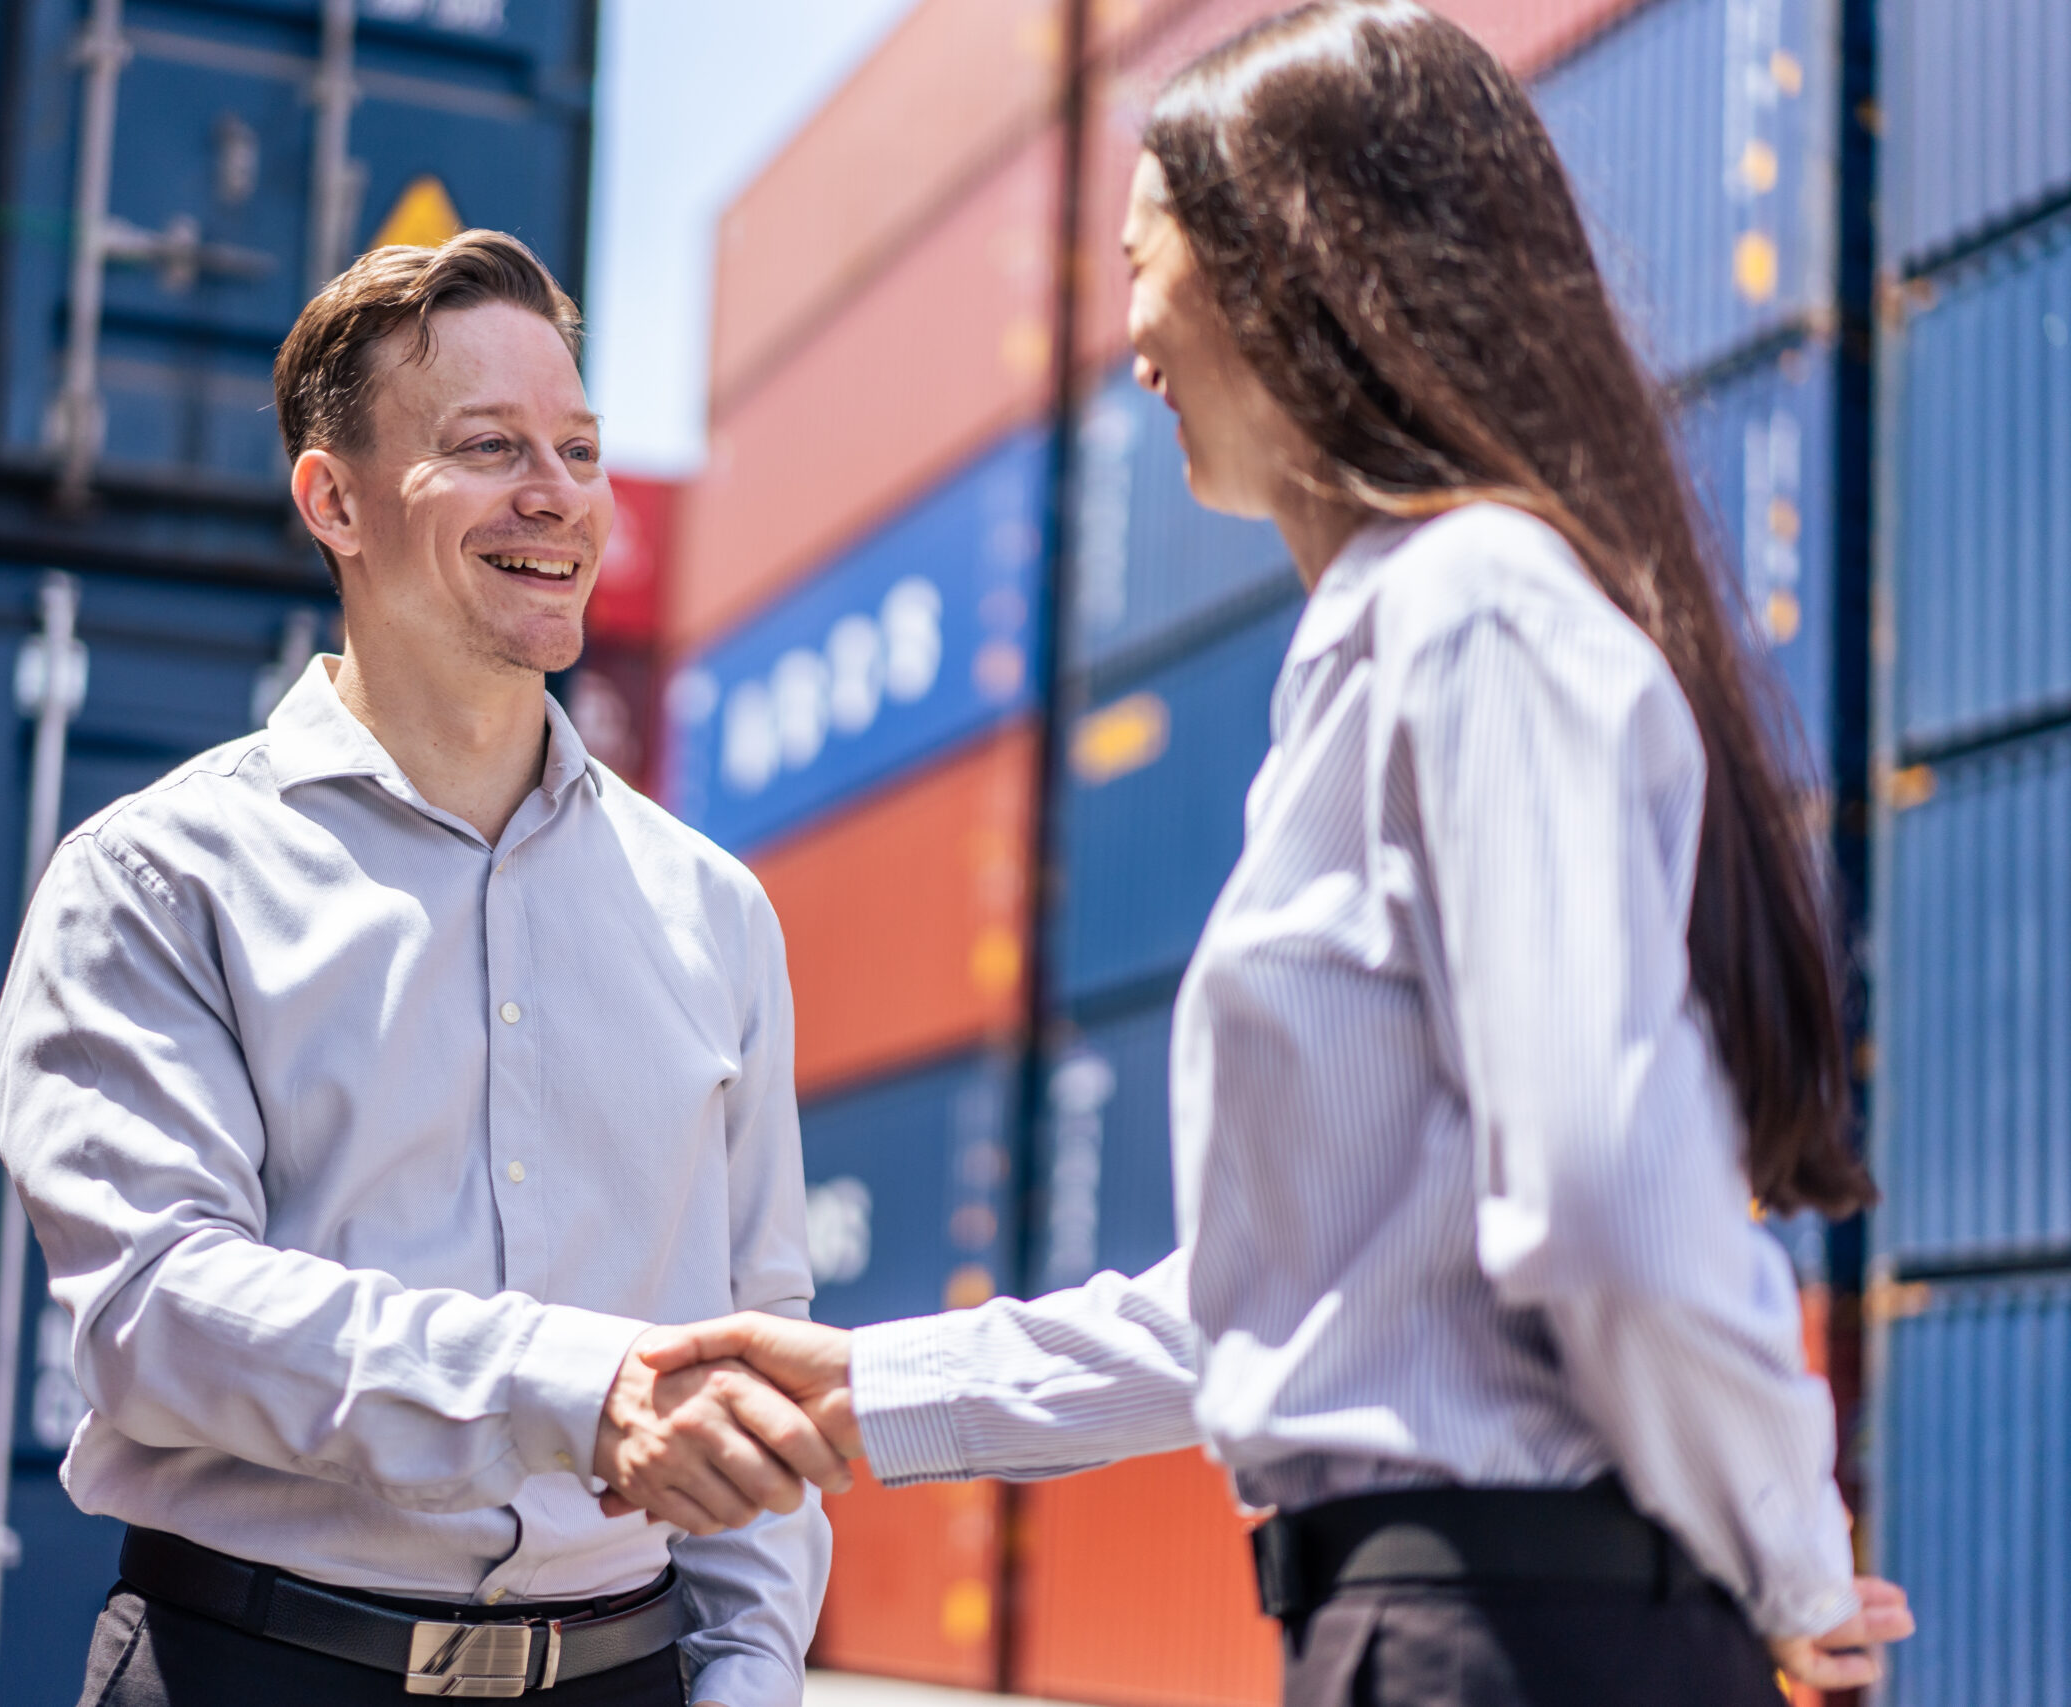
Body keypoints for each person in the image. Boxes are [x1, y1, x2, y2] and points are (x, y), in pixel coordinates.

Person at [627, 6, 1916, 1704]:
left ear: (1293, 271)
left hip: (1527, 1644)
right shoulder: (1377, 654)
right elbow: (1272, 1306)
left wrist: (1789, 1560)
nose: (1132, 340)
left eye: (1146, 264)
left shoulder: (1475, 619)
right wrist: (865, 1391)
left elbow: (1606, 1187)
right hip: (1435, 1635)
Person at [0, 230, 847, 1707]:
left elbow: (752, 1349)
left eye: (577, 450)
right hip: (254, 1670)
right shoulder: (156, 880)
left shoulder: (714, 912)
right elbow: (158, 1316)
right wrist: (573, 1391)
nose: (558, 496)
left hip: (622, 1674)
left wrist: (751, 1673)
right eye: (489, 446)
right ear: (335, 500)